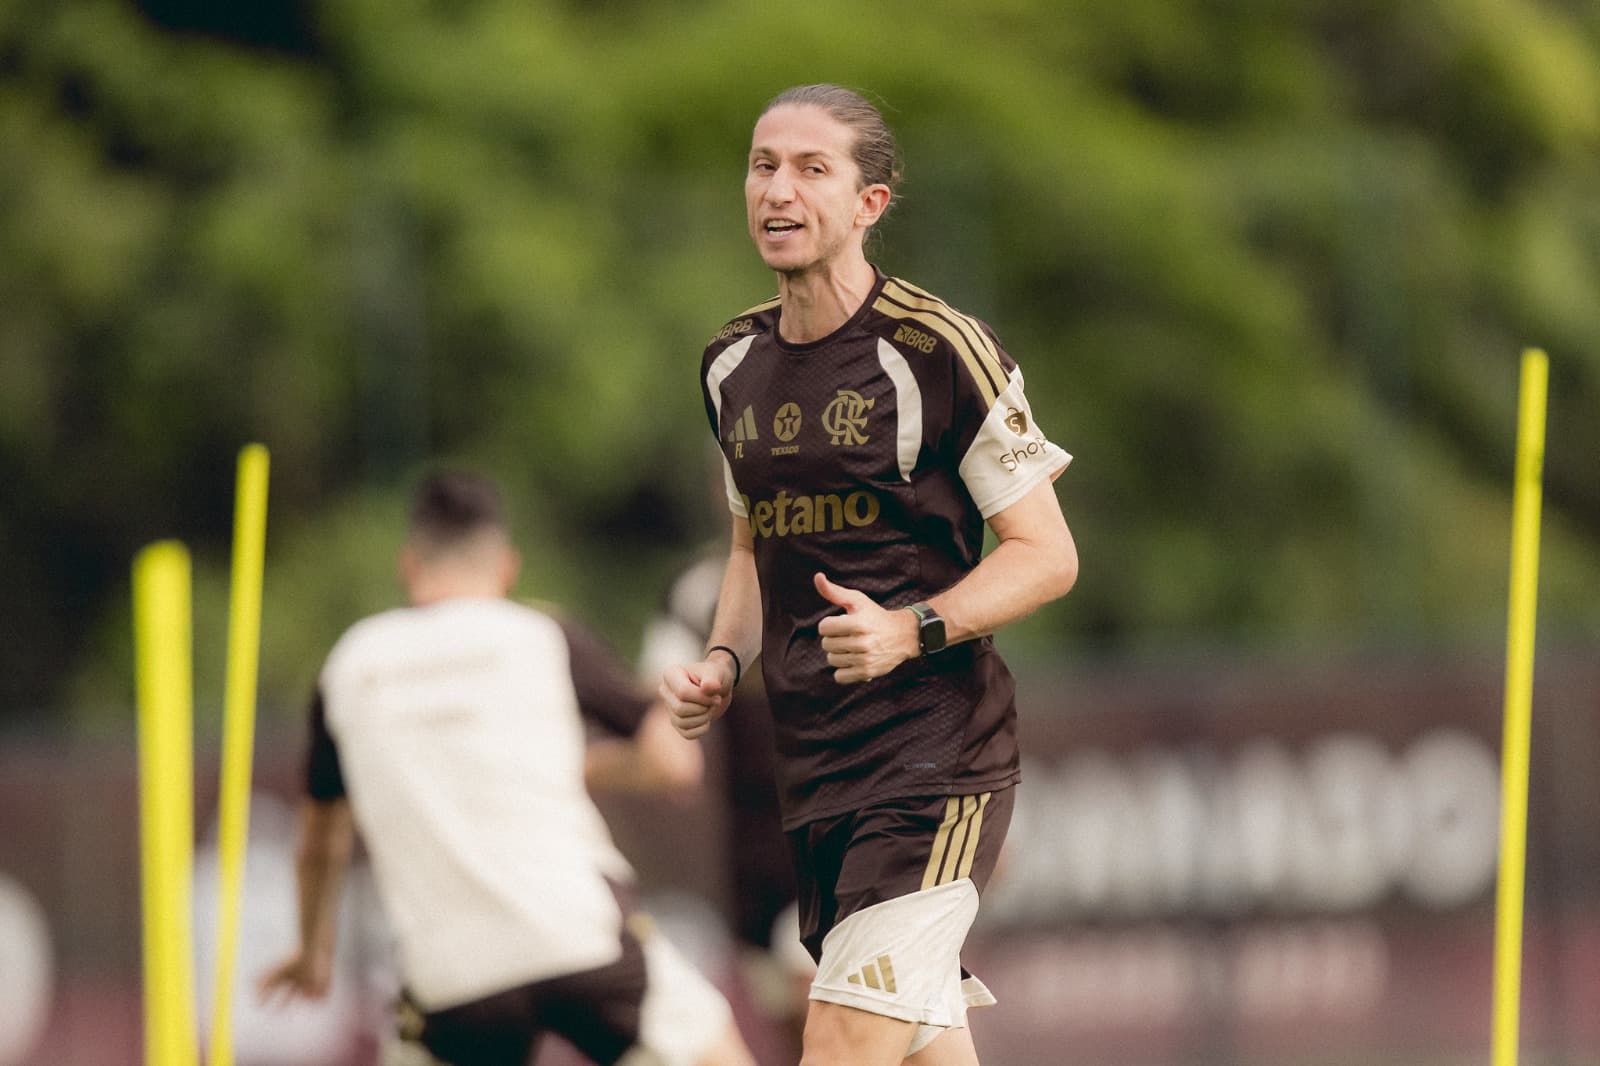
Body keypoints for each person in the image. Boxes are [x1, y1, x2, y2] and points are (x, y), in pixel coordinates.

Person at [658, 84, 1078, 1066]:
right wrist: (723, 656)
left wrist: (910, 628)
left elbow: (1047, 554)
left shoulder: (937, 349)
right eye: (763, 164)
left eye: (812, 168)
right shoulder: (730, 366)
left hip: (933, 764)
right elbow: (747, 548)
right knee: (923, 1045)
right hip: (814, 778)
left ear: (868, 205)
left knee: (837, 1041)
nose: (779, 188)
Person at [259, 470, 756, 1066]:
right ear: (507, 568)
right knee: (714, 1046)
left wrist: (313, 954)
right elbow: (673, 763)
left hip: (451, 975)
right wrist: (581, 765)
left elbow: (320, 842)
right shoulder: (541, 632)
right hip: (577, 936)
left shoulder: (348, 665)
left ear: (410, 566)